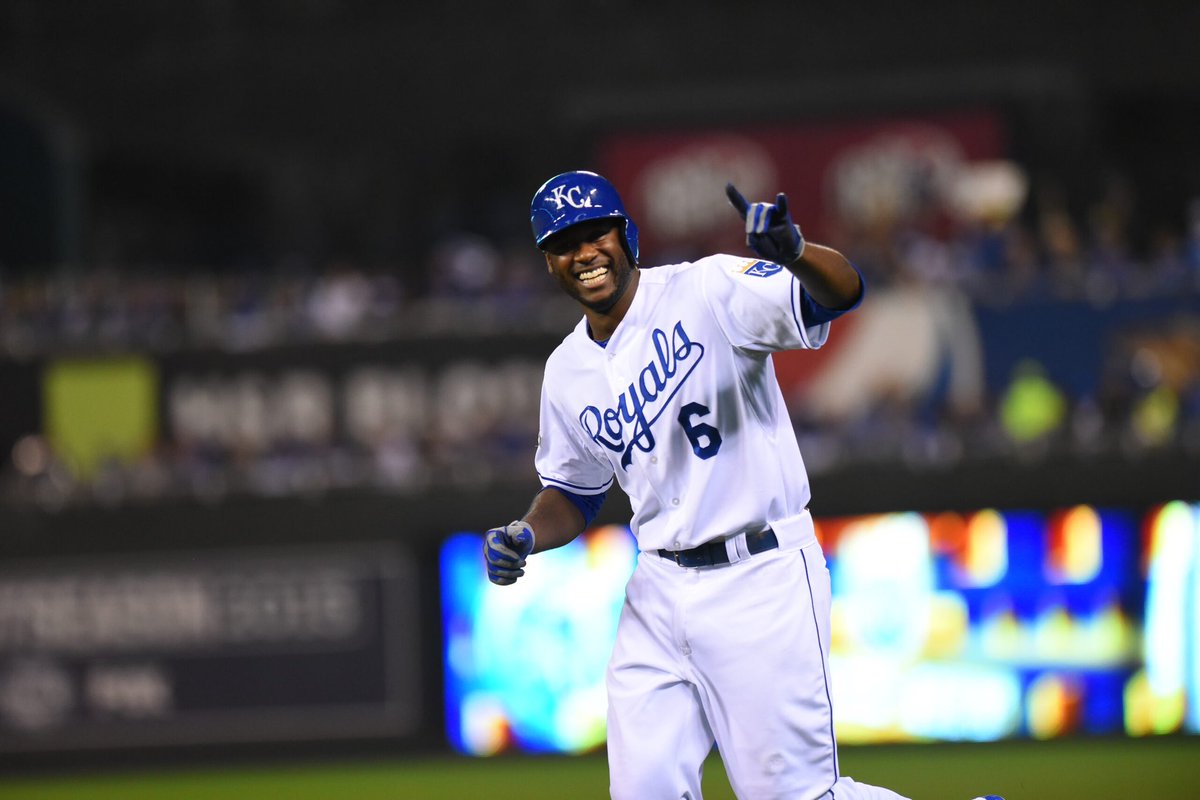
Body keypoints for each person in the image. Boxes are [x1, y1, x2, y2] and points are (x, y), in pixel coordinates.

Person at [484, 170, 1002, 800]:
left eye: (597, 233)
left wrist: (797, 253)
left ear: (628, 236)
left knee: (796, 796)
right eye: (565, 243)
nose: (585, 252)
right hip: (658, 588)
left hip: (759, 573)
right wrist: (528, 532)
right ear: (549, 263)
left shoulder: (705, 288)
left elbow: (838, 295)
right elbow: (573, 490)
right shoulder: (566, 370)